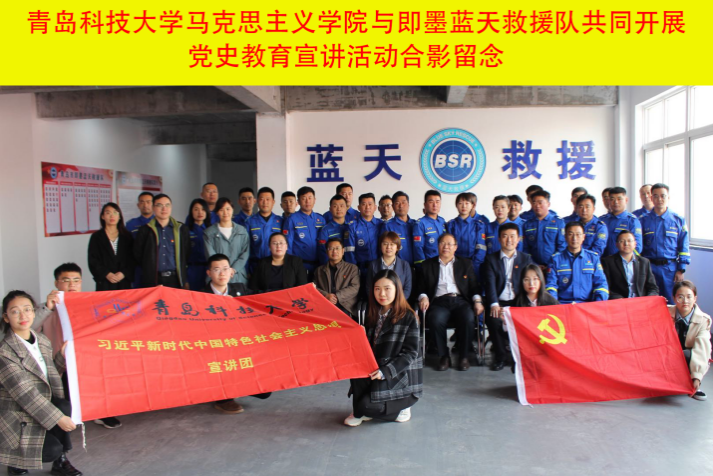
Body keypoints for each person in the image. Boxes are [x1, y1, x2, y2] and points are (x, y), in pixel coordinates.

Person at [1, 290, 82, 476]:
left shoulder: (42, 340)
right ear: (6, 317)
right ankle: (16, 465)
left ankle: (60, 461)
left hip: (39, 407)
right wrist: (58, 418)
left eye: (27, 309)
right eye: (15, 311)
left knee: (63, 405)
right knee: (50, 449)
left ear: (34, 311)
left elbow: (47, 373)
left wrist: (62, 356)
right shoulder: (4, 352)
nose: (23, 316)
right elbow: (24, 393)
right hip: (19, 414)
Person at [344, 270, 422, 427]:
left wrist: (385, 371)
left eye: (387, 288)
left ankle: (401, 409)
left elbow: (410, 353)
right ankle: (360, 412)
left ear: (397, 290)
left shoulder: (408, 316)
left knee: (366, 406)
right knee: (356, 374)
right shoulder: (373, 313)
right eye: (377, 289)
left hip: (399, 377)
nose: (382, 294)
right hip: (377, 370)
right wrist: (361, 337)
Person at [201, 254, 271, 414]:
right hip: (214, 348)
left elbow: (263, 300)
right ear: (209, 273)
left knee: (265, 391)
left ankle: (233, 388)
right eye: (216, 269)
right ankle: (223, 398)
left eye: (225, 269)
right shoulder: (200, 295)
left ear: (232, 271)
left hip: (239, 345)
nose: (222, 273)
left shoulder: (240, 289)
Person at [416, 233, 483, 371]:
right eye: (442, 243)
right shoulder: (427, 265)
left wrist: (477, 301)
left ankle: (464, 356)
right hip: (439, 301)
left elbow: (474, 287)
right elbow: (420, 287)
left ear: (455, 247)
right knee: (435, 319)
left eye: (449, 244)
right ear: (438, 246)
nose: (446, 247)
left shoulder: (465, 264)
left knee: (468, 318)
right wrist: (423, 297)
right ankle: (443, 355)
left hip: (460, 300)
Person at [482, 223, 533, 371]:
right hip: (500, 301)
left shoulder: (526, 259)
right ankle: (501, 356)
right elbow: (490, 284)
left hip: (519, 303)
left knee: (523, 322)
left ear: (518, 239)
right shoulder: (491, 259)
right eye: (505, 236)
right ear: (499, 239)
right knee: (493, 319)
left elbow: (529, 284)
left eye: (512, 236)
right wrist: (494, 304)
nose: (509, 240)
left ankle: (520, 357)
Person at [640, 183, 690, 304]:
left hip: (670, 269)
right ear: (651, 198)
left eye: (663, 196)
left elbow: (683, 246)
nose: (659, 199)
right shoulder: (643, 220)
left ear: (668, 197)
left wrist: (681, 269)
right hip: (649, 268)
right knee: (649, 302)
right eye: (656, 196)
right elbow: (638, 247)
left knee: (671, 302)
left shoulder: (678, 220)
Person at [134, 193, 190, 289]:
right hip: (153, 279)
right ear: (153, 208)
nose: (164, 209)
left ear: (171, 207)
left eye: (167, 205)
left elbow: (186, 253)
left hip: (175, 279)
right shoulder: (145, 230)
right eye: (160, 205)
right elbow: (138, 254)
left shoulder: (181, 229)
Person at [545, 221, 609, 303]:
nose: (574, 238)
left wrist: (598, 303)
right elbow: (551, 286)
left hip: (587, 304)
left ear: (583, 237)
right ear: (565, 237)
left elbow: (601, 284)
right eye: (570, 234)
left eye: (578, 234)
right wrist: (554, 305)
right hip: (563, 305)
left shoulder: (593, 258)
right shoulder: (555, 259)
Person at [669, 281, 711, 401]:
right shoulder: (664, 312)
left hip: (688, 356)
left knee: (688, 354)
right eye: (680, 297)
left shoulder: (704, 320)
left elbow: (701, 349)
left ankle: (694, 385)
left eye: (689, 297)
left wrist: (696, 377)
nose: (685, 301)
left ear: (695, 298)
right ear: (674, 298)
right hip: (668, 354)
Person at [87, 202, 134, 291]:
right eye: (108, 213)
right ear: (103, 216)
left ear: (119, 216)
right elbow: (93, 260)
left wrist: (124, 273)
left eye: (115, 212)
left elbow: (133, 258)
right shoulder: (96, 237)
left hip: (123, 281)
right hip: (105, 281)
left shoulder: (127, 236)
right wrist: (106, 274)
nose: (112, 216)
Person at [203, 198, 250, 285]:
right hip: (218, 277)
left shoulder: (242, 231)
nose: (225, 213)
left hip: (237, 276)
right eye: (221, 210)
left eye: (228, 209)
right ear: (217, 212)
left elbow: (245, 253)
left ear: (233, 210)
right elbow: (211, 255)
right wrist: (224, 271)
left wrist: (233, 269)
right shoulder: (209, 233)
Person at [602, 230, 659, 299]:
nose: (626, 244)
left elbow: (653, 287)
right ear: (616, 244)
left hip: (641, 301)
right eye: (622, 241)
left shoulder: (644, 262)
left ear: (635, 244)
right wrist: (619, 299)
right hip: (619, 301)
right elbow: (606, 287)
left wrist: (648, 299)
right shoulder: (608, 262)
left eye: (629, 241)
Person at [282, 186, 326, 277]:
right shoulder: (292, 219)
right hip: (300, 266)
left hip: (320, 265)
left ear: (314, 200)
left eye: (310, 198)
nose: (307, 201)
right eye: (304, 198)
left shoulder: (321, 219)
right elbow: (288, 245)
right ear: (298, 201)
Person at [314, 238, 360, 318]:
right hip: (325, 305)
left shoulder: (352, 268)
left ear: (343, 251)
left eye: (337, 248)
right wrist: (326, 295)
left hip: (345, 305)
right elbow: (314, 288)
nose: (334, 251)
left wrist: (337, 296)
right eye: (331, 248)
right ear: (326, 252)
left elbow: (355, 287)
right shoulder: (319, 270)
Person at [522, 190, 566, 268]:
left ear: (548, 204)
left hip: (554, 266)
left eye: (540, 202)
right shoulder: (527, 224)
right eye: (534, 203)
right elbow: (525, 248)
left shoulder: (558, 223)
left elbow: (562, 247)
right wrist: (534, 265)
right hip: (533, 267)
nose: (537, 206)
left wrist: (550, 265)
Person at [447, 192, 487, 276]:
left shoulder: (478, 225)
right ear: (456, 205)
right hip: (455, 264)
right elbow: (449, 247)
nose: (464, 206)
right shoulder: (451, 225)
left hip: (474, 265)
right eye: (460, 203)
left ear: (472, 205)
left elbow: (481, 247)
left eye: (467, 203)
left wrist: (474, 264)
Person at [365, 232, 413, 300]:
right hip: (378, 302)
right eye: (385, 244)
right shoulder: (373, 265)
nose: (388, 247)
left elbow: (407, 289)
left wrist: (398, 302)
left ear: (397, 247)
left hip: (399, 303)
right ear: (380, 246)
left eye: (392, 244)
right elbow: (369, 288)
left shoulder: (405, 265)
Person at [246, 187, 283, 272]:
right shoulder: (250, 222)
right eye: (262, 199)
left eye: (268, 199)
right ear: (257, 201)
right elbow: (245, 248)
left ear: (273, 202)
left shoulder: (280, 221)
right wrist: (247, 270)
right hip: (256, 266)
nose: (265, 202)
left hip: (276, 266)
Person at [600, 187, 643, 257]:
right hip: (603, 260)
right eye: (612, 199)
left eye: (619, 199)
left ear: (626, 200)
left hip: (622, 261)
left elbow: (637, 247)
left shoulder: (632, 221)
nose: (616, 202)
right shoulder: (602, 220)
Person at [346, 193, 383, 273]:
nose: (367, 207)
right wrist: (353, 270)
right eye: (364, 204)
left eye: (370, 204)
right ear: (359, 207)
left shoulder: (381, 224)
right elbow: (349, 251)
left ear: (375, 207)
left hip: (380, 268)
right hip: (360, 270)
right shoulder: (352, 226)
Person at [126, 192, 154, 288]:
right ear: (138, 205)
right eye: (142, 202)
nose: (145, 205)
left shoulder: (159, 222)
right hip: (137, 267)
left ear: (153, 204)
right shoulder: (131, 224)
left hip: (155, 266)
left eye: (148, 202)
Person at [412, 190, 447, 266]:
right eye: (431, 202)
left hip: (443, 263)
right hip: (429, 265)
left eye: (437, 202)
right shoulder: (420, 224)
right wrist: (422, 267)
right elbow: (418, 248)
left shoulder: (442, 221)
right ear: (425, 205)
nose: (435, 205)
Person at [382, 191, 416, 265]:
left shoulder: (415, 224)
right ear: (393, 206)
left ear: (408, 205)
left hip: (416, 267)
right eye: (397, 203)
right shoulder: (388, 226)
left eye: (403, 202)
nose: (401, 206)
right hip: (397, 267)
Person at [185, 198, 211, 291]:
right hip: (192, 270)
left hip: (208, 269)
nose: (200, 212)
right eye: (196, 209)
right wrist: (185, 279)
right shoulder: (186, 230)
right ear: (191, 212)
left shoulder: (211, 230)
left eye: (203, 209)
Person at [317, 195, 350, 265]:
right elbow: (322, 252)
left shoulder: (351, 227)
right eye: (335, 206)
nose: (339, 209)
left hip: (350, 266)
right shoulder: (325, 230)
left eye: (342, 206)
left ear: (346, 208)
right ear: (330, 209)